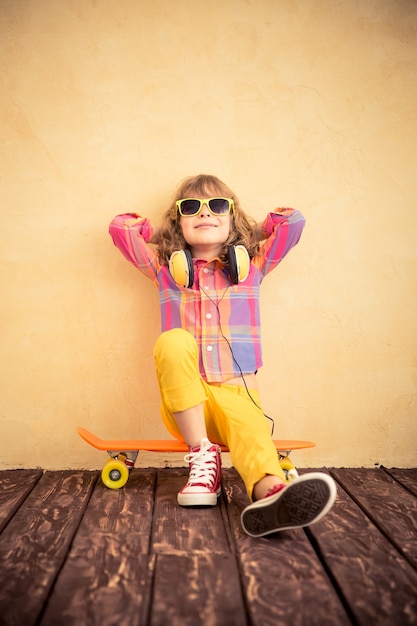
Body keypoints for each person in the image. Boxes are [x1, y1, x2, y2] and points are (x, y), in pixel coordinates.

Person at [109, 174, 336, 537]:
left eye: (217, 206)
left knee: (253, 435)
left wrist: (253, 227)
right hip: (187, 408)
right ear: (179, 221)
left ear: (231, 218)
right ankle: (203, 458)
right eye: (191, 208)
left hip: (238, 394)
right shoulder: (166, 270)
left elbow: (293, 222)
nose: (205, 214)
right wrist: (161, 234)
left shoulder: (253, 267)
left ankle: (271, 498)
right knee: (173, 341)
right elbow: (121, 229)